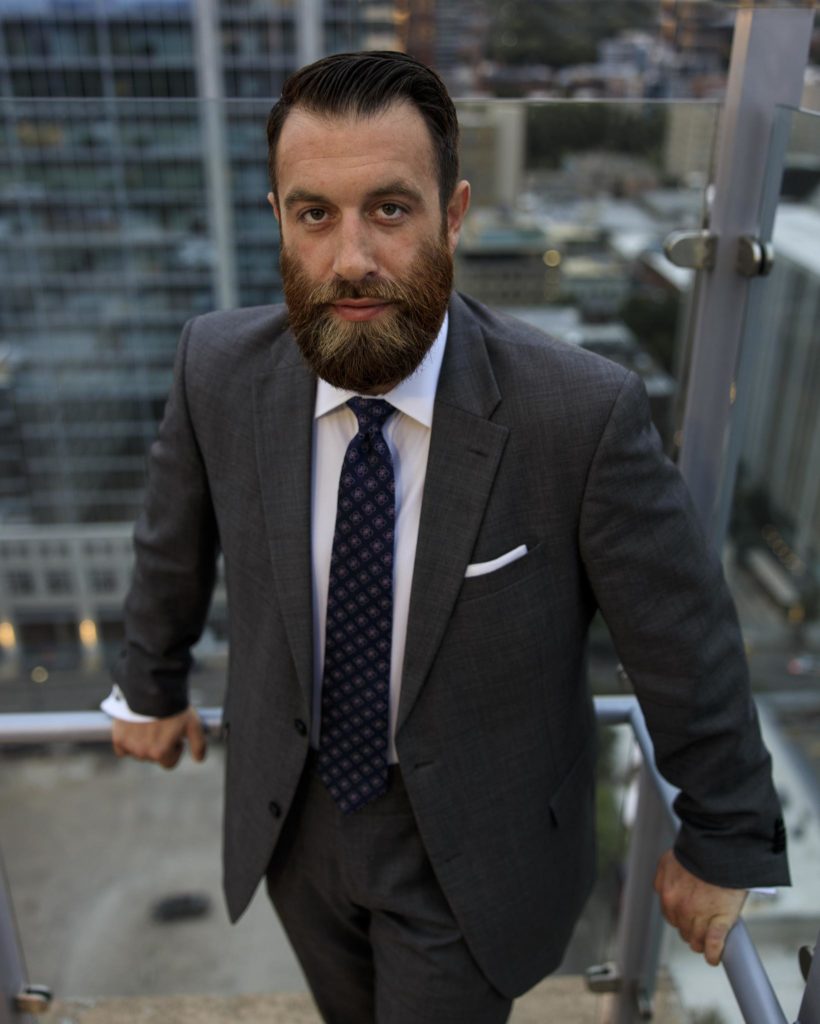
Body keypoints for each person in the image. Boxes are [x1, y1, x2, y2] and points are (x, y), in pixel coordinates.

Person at [105, 50, 789, 1024]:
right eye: (315, 214)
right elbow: (173, 541)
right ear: (277, 222)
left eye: (389, 209)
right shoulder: (217, 366)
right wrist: (149, 681)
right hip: (295, 818)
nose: (351, 258)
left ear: (454, 214)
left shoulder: (577, 415)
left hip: (471, 848)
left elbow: (684, 642)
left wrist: (724, 838)